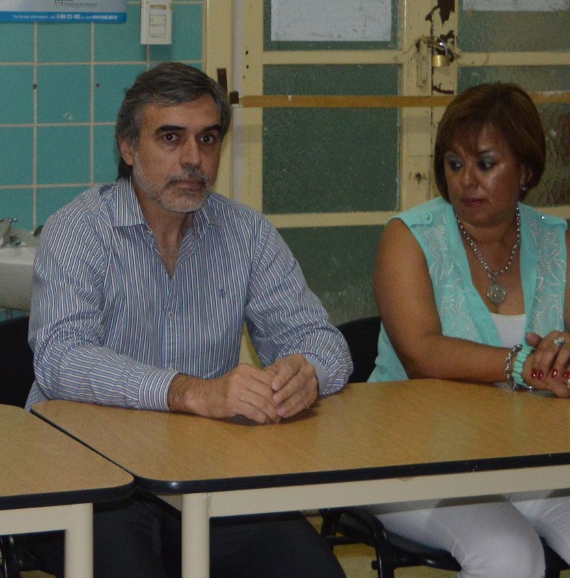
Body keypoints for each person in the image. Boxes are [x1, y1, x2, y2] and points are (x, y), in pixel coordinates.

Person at [23, 61, 352, 578]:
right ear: (128, 148)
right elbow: (61, 360)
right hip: (89, 477)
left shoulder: (246, 234)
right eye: (171, 138)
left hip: (205, 475)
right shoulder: (78, 230)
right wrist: (188, 392)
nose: (193, 158)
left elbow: (321, 340)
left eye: (208, 139)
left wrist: (306, 373)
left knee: (315, 571)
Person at [369, 82, 570, 578]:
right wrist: (525, 366)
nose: (466, 181)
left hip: (529, 455)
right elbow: (421, 353)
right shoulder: (410, 237)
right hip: (414, 457)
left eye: (485, 164)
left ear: (525, 170)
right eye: (454, 164)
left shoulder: (555, 240)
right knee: (509, 556)